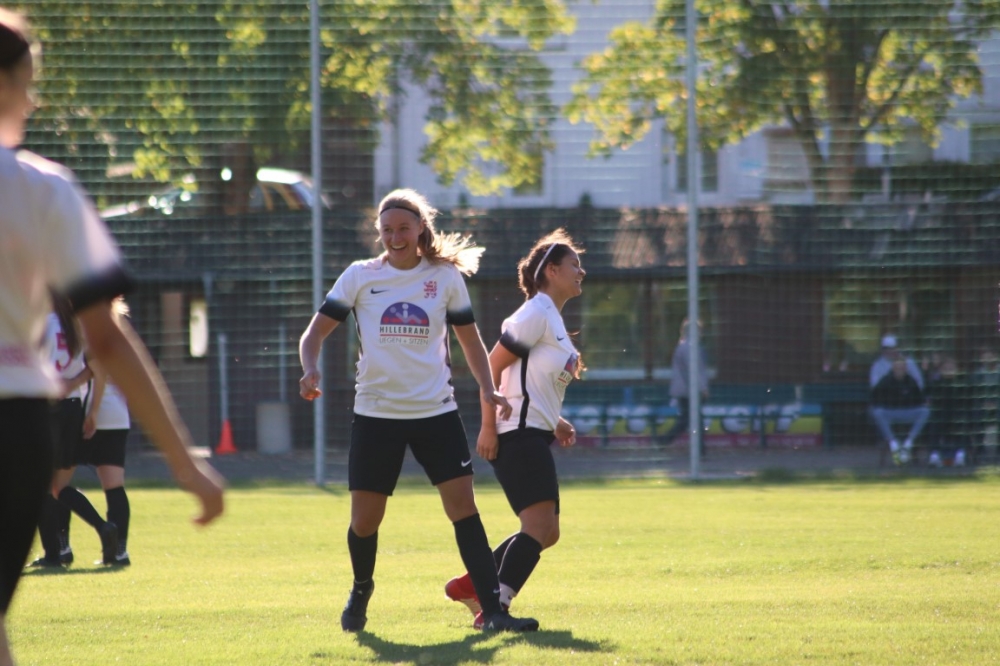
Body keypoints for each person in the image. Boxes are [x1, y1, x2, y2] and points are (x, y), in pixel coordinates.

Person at [0, 11, 224, 665]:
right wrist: (184, 461)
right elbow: (107, 337)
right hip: (15, 422)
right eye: (29, 83)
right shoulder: (43, 189)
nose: (34, 101)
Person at [298, 188, 538, 633]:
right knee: (364, 521)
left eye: (403, 229)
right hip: (376, 415)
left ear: (420, 229)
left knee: (464, 509)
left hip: (436, 413)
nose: (395, 237)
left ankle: (493, 612)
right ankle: (361, 589)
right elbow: (313, 335)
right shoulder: (359, 276)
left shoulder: (444, 278)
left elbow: (470, 340)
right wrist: (310, 368)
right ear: (379, 233)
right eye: (387, 230)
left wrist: (488, 388)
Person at [443, 230, 585, 629]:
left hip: (531, 432)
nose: (581, 271)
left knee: (548, 532)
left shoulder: (551, 317)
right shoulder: (536, 312)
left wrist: (554, 421)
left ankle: (473, 585)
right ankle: (495, 611)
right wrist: (488, 427)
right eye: (574, 264)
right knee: (538, 527)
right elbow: (491, 366)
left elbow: (528, 381)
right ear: (551, 271)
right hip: (515, 436)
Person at [27, 293, 118, 568]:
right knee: (60, 486)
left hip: (44, 406)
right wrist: (88, 407)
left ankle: (53, 554)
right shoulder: (77, 325)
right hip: (72, 407)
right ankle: (102, 527)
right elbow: (95, 368)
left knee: (40, 485)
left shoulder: (38, 323)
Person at [870, 358, 931, 465]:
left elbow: (920, 399)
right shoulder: (885, 381)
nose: (900, 370)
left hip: (908, 412)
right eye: (897, 368)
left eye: (902, 368)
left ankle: (909, 441)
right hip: (890, 412)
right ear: (893, 369)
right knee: (877, 412)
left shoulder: (911, 380)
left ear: (906, 369)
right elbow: (875, 398)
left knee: (925, 411)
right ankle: (893, 442)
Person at [659, 319, 709, 448]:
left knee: (688, 420)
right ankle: (664, 441)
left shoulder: (684, 346)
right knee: (691, 420)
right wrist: (702, 388)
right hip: (688, 391)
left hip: (685, 390)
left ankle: (665, 441)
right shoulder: (690, 348)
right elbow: (693, 370)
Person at [925, 356, 971, 467]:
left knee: (962, 422)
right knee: (934, 423)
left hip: (958, 416)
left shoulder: (962, 382)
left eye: (951, 368)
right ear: (941, 370)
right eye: (946, 368)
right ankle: (934, 455)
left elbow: (965, 402)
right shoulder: (936, 383)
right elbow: (933, 400)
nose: (949, 370)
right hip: (940, 416)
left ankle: (961, 454)